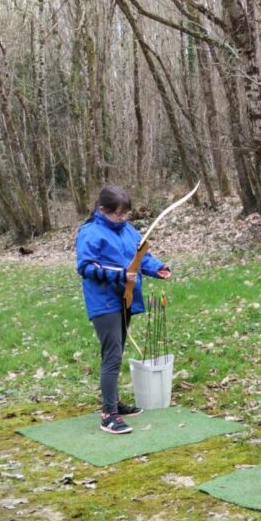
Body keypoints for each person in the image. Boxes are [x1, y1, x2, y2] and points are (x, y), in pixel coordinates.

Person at [76, 186, 171, 434]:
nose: (123, 219)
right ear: (102, 210)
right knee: (113, 355)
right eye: (118, 214)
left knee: (114, 353)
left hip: (125, 299)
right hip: (104, 302)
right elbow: (86, 267)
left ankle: (114, 401)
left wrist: (156, 268)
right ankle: (109, 414)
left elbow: (139, 255)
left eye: (125, 214)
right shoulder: (90, 232)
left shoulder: (127, 230)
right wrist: (119, 275)